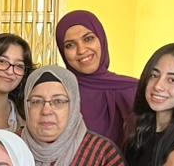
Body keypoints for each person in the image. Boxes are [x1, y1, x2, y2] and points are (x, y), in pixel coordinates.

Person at [55, 10, 137, 148]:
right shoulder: (59, 95)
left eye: (88, 39)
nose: (81, 50)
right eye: (70, 45)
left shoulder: (134, 90)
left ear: (101, 39)